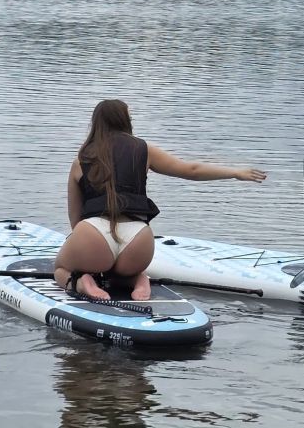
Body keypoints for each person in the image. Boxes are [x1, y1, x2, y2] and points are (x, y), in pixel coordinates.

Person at [53, 99, 266, 301]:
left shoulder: (81, 159)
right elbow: (191, 170)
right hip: (138, 238)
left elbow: (76, 219)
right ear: (126, 121)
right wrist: (235, 172)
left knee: (61, 270)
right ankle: (138, 279)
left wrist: (85, 252)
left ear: (96, 124)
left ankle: (82, 283)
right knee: (122, 272)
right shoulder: (145, 151)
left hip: (92, 234)